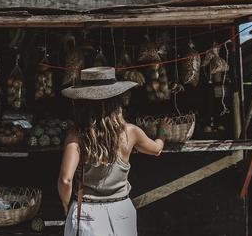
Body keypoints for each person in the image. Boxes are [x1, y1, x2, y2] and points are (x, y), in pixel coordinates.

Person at [58, 66, 170, 236]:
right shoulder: (131, 132)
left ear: (83, 102)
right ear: (116, 101)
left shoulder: (76, 135)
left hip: (88, 213)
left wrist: (66, 205)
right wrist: (162, 131)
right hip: (121, 212)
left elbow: (66, 180)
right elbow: (156, 150)